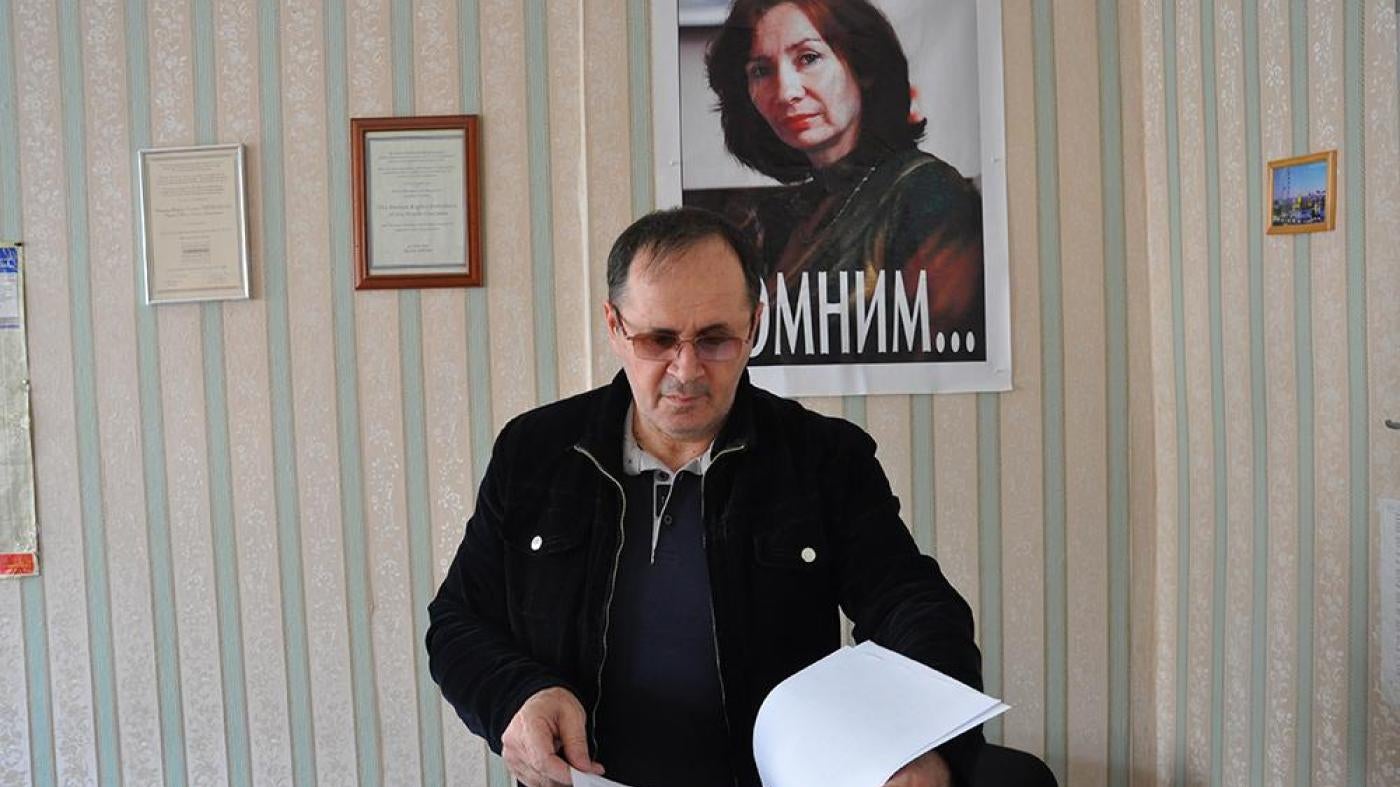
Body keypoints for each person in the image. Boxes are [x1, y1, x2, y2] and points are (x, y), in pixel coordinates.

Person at [426, 207, 983, 787]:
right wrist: (515, 697)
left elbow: (915, 608)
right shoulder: (534, 451)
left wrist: (925, 746)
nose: (686, 370)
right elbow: (458, 622)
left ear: (755, 327)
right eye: (658, 339)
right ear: (615, 326)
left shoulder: (824, 457)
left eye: (715, 339)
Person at [704, 0, 984, 362]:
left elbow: (940, 360)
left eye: (808, 58)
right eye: (761, 70)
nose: (786, 91)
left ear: (862, 66)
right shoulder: (780, 215)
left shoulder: (928, 192)